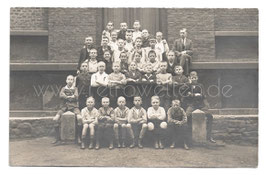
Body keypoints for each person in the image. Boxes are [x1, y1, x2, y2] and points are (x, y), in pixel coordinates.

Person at [183, 72, 216, 145]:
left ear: (197, 78)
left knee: (210, 116)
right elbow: (187, 95)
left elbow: (202, 95)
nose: (193, 79)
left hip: (201, 105)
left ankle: (209, 136)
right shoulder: (188, 85)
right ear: (190, 78)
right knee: (186, 116)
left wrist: (193, 95)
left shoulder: (200, 85)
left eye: (195, 78)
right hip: (192, 105)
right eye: (192, 78)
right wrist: (194, 94)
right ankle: (188, 138)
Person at [52, 75, 82, 144]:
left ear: (73, 81)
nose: (70, 81)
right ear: (66, 80)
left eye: (71, 79)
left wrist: (66, 97)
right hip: (64, 107)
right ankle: (57, 138)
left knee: (79, 118)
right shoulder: (63, 88)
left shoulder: (75, 88)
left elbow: (76, 96)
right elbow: (61, 95)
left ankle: (78, 137)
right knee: (55, 119)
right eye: (68, 79)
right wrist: (70, 97)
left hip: (74, 107)